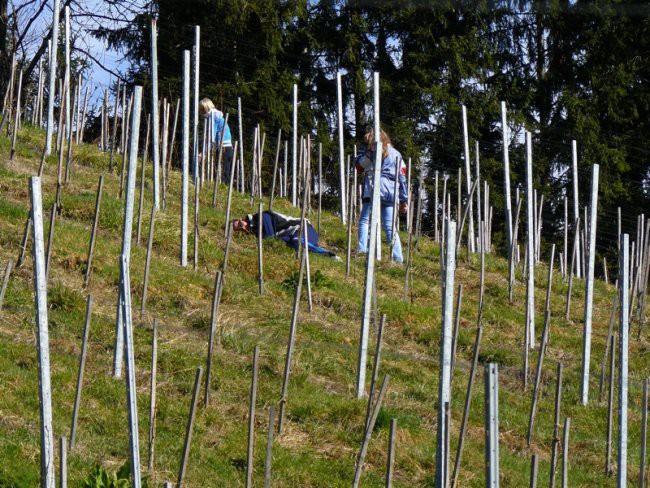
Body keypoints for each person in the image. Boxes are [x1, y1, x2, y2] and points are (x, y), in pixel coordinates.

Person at [355, 129, 408, 263]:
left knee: (365, 221)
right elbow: (402, 177)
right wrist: (404, 199)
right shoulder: (397, 154)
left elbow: (359, 166)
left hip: (374, 189)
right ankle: (398, 258)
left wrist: (364, 152)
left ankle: (362, 250)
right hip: (392, 192)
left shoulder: (372, 152)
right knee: (390, 227)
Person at [232, 210, 338, 258]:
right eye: (241, 229)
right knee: (298, 246)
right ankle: (323, 255)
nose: (243, 227)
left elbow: (270, 238)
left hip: (303, 227)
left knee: (297, 241)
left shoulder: (261, 217)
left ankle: (329, 254)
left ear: (243, 219)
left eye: (241, 224)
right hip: (295, 235)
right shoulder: (256, 230)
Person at [199, 98, 233, 182]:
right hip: (228, 147)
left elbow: (211, 138)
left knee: (222, 173)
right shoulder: (216, 115)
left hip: (223, 147)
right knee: (226, 172)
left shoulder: (212, 117)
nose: (201, 112)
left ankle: (222, 190)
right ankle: (224, 190)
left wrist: (203, 153)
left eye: (202, 109)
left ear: (206, 108)